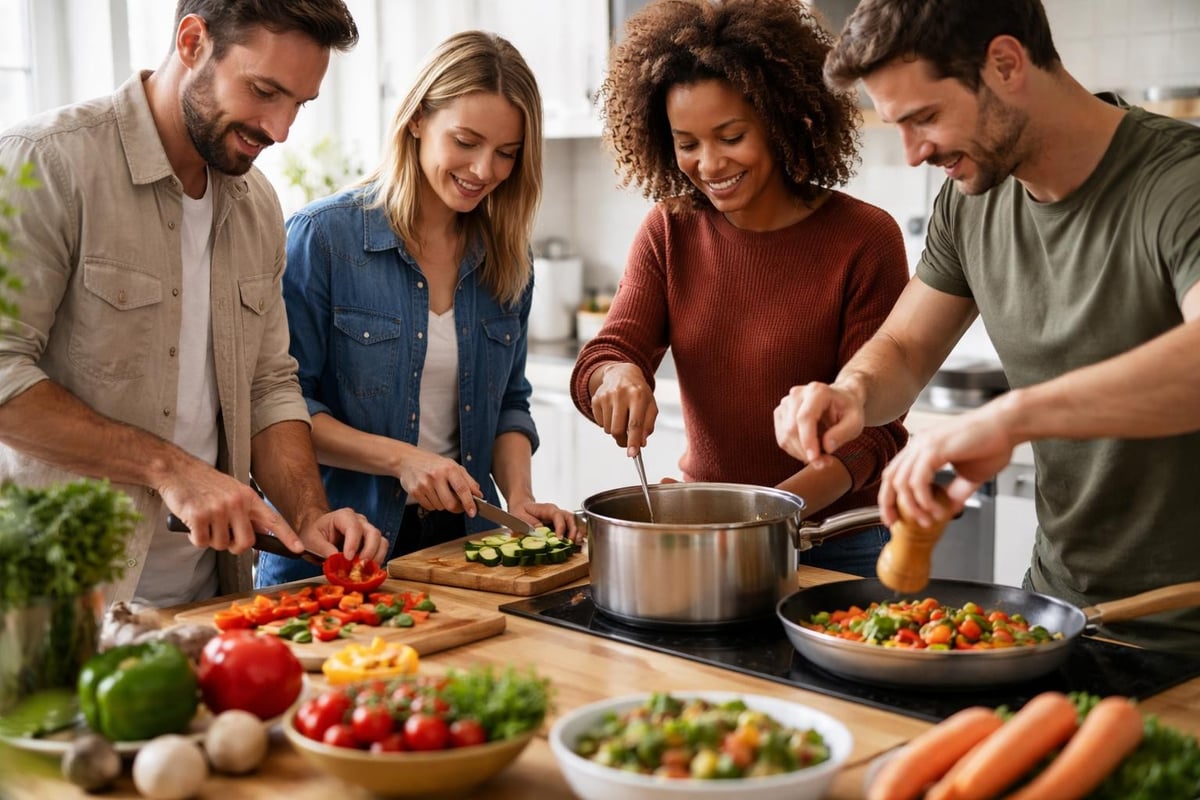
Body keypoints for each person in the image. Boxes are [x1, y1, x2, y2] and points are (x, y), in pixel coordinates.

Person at [775, 0, 1200, 650]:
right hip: (1062, 616)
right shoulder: (973, 200)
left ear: (1005, 63)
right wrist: (852, 392)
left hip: (1187, 626)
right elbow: (908, 346)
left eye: (925, 118)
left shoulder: (1181, 180)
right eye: (899, 126)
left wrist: (1011, 416)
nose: (915, 153)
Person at [0, 0, 389, 608]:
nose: (281, 129)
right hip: (61, 607)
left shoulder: (258, 204)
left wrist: (310, 513)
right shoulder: (44, 163)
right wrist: (170, 469)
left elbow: (268, 384)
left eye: (299, 104)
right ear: (192, 41)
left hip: (207, 600)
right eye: (264, 90)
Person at [568, 0, 910, 577]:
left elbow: (873, 434)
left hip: (832, 543)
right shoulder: (670, 230)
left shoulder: (864, 238)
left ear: (783, 119)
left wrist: (755, 515)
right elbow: (607, 353)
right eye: (687, 142)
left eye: (730, 136)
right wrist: (618, 376)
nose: (708, 163)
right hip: (706, 536)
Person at [256, 31, 576, 588]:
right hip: (340, 546)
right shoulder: (324, 239)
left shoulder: (506, 257)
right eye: (467, 141)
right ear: (418, 120)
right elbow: (284, 407)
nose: (484, 169)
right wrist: (403, 459)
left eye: (507, 153)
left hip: (464, 546)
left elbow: (508, 405)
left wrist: (520, 499)